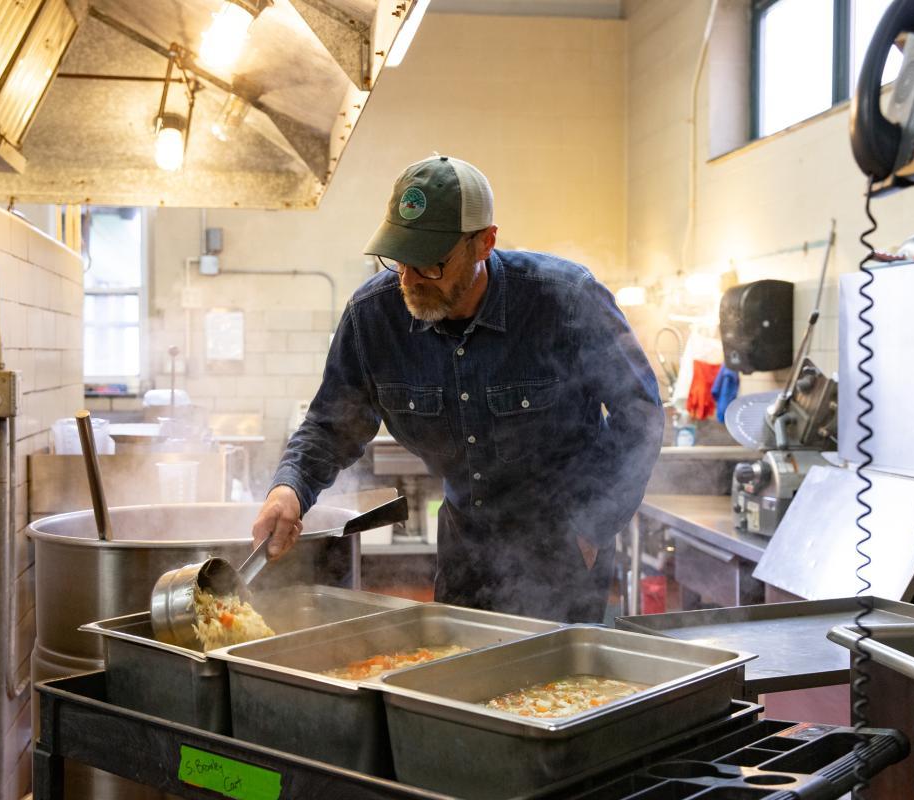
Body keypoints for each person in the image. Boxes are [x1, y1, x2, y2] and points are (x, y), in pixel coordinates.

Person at [251, 155, 663, 622]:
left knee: (562, 690)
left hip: (563, 548)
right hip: (465, 549)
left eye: (430, 265)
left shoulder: (565, 300)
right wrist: (289, 490)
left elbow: (640, 411)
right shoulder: (373, 318)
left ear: (484, 243)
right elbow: (331, 427)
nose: (408, 280)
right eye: (399, 259)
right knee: (462, 683)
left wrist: (593, 524)